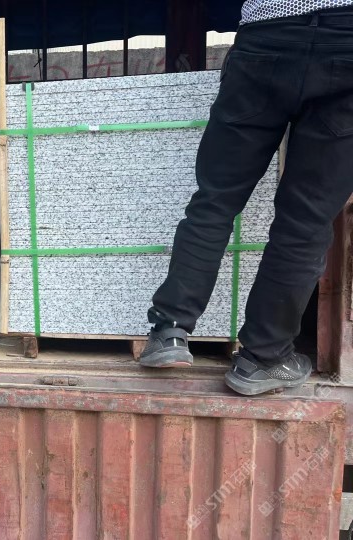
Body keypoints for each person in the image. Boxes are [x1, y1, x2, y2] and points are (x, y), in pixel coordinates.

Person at [139, 0, 353, 395]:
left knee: (215, 201)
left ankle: (170, 330)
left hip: (267, 33)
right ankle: (263, 358)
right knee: (305, 220)